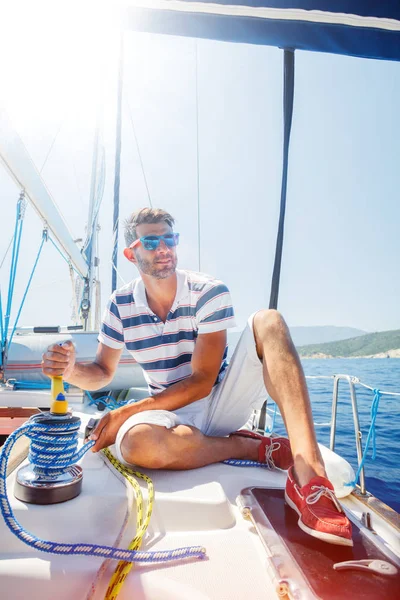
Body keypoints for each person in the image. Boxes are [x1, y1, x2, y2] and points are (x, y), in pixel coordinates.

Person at [42, 208, 352, 547]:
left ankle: (311, 478)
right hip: (172, 412)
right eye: (151, 241)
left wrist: (126, 411)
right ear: (132, 253)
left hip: (221, 400)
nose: (163, 248)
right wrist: (70, 370)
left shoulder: (208, 292)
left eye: (169, 239)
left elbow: (203, 380)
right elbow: (102, 372)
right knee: (134, 444)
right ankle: (249, 447)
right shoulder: (120, 306)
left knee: (269, 321)